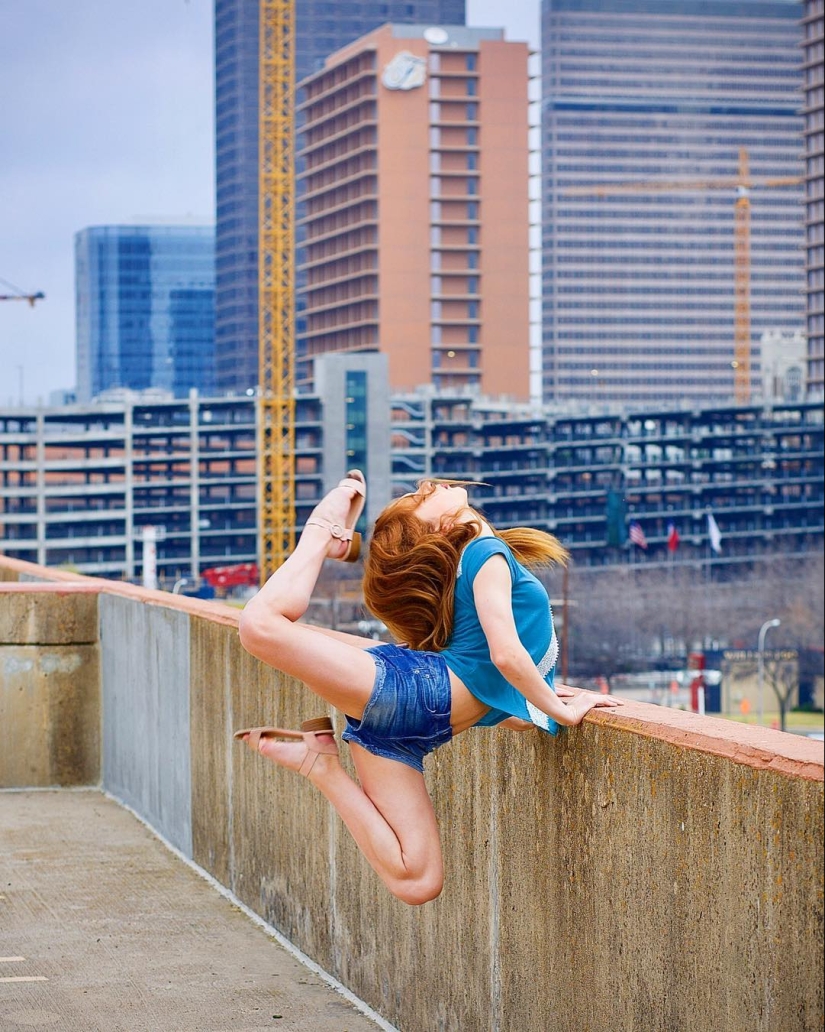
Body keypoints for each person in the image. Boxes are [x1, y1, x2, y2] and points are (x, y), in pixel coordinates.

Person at [235, 473, 620, 906]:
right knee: (259, 626)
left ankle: (321, 766)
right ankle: (322, 532)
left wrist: (535, 709)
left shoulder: (472, 560)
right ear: (436, 528)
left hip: (416, 724)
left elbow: (491, 686)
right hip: (416, 693)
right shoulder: (485, 552)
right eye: (420, 497)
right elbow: (506, 657)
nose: (428, 484)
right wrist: (562, 710)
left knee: (417, 882)